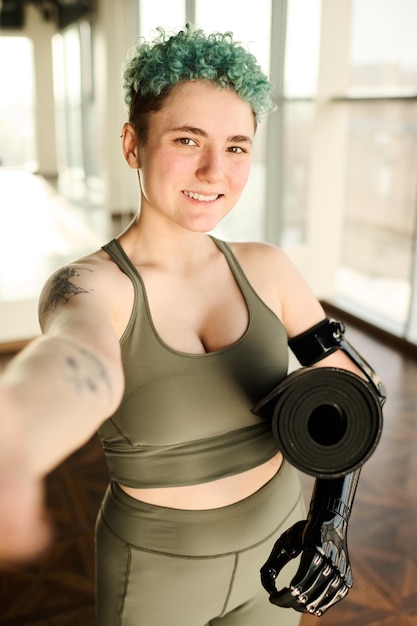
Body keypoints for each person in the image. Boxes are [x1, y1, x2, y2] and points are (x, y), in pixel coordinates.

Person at [0, 25, 379, 625]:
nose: (213, 171)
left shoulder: (267, 268)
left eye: (236, 146)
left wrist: (330, 520)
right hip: (156, 569)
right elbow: (80, 362)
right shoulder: (94, 285)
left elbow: (356, 389)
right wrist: (17, 433)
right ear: (133, 144)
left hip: (279, 548)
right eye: (186, 139)